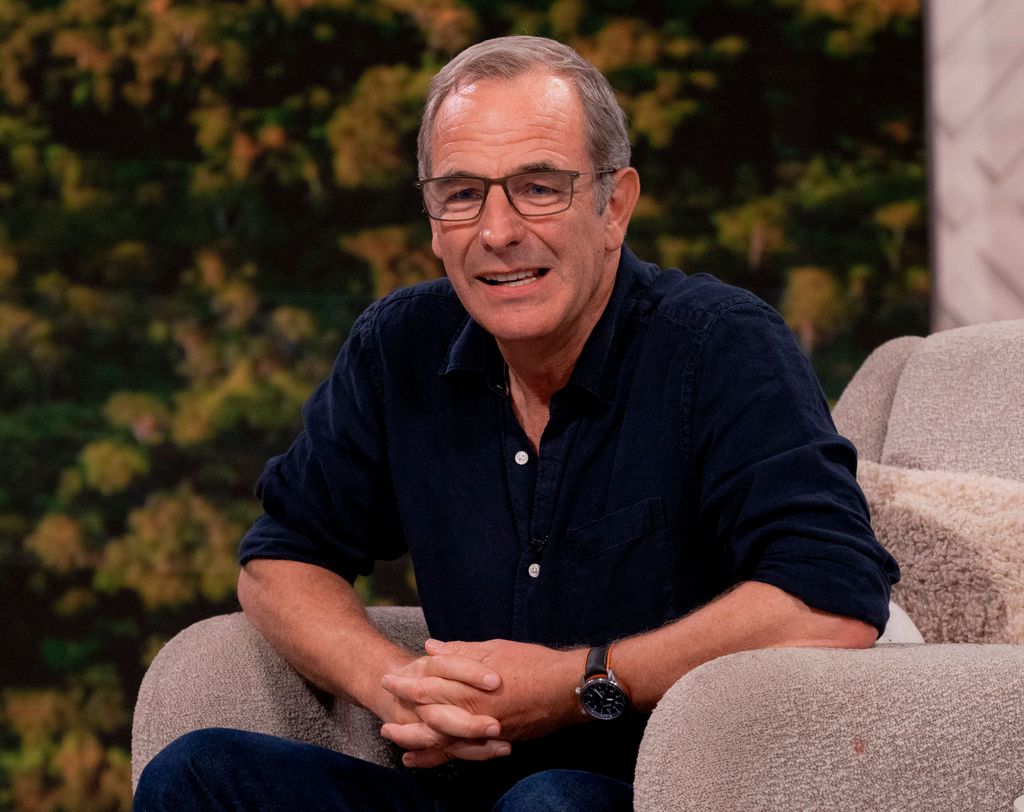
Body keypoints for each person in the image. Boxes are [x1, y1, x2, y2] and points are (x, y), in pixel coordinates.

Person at [133, 35, 899, 811]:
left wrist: (584, 681)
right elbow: (280, 558)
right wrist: (393, 683)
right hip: (461, 786)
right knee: (196, 774)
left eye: (539, 187)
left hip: (666, 790)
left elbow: (831, 602)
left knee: (550, 802)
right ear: (433, 221)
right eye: (462, 194)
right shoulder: (401, 345)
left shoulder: (720, 345)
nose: (497, 231)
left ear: (615, 205)